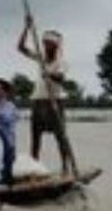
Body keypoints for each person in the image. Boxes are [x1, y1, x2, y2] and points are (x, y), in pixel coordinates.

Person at [18, 19, 76, 174]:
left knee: (61, 136)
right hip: (38, 101)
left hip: (55, 101)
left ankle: (66, 167)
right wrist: (26, 28)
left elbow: (61, 78)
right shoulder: (41, 57)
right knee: (35, 137)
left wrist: (49, 73)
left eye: (49, 44)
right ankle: (33, 169)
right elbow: (21, 48)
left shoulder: (61, 61)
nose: (45, 46)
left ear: (56, 46)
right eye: (44, 43)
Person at [0, 78, 18, 182]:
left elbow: (7, 119)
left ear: (5, 92)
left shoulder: (10, 106)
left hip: (7, 145)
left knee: (5, 176)